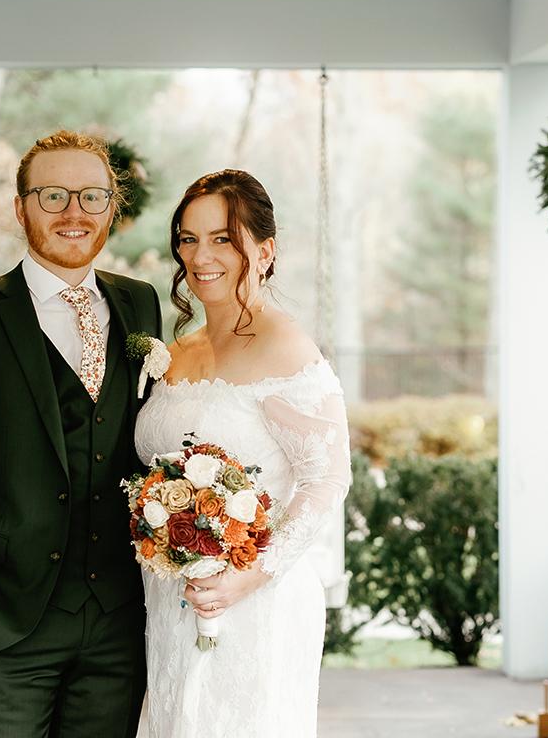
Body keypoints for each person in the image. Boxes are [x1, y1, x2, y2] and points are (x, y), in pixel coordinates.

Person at [0, 129, 161, 738]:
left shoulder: (139, 305)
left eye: (92, 197)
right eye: (53, 196)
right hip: (1, 621)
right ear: (21, 209)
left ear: (112, 209)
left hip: (118, 622)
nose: (75, 212)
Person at [134, 169, 351, 737]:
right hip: (169, 599)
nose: (200, 255)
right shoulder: (178, 352)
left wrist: (249, 576)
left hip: (253, 605)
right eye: (188, 238)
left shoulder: (287, 348)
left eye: (222, 238)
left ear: (265, 248)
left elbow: (327, 478)